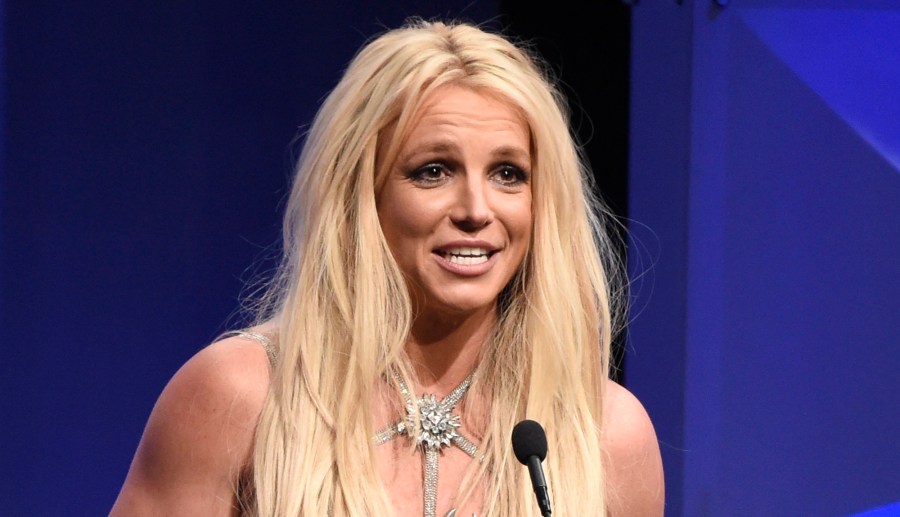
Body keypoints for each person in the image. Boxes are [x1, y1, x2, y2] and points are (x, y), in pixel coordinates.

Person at [110, 19, 664, 517]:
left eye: (508, 173)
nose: (476, 209)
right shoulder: (240, 397)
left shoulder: (605, 434)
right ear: (362, 194)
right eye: (433, 171)